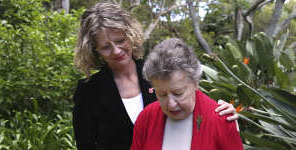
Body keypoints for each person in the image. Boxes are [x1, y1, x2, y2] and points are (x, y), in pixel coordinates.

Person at [72, 2, 238, 150]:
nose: (116, 51)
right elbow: (85, 145)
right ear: (95, 50)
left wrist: (224, 114)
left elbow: (192, 99)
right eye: (106, 47)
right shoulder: (89, 91)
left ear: (130, 35)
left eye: (120, 40)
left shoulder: (157, 71)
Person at [131, 38, 243, 150]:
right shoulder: (145, 119)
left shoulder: (221, 120)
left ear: (196, 82)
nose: (171, 104)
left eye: (178, 93)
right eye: (162, 94)